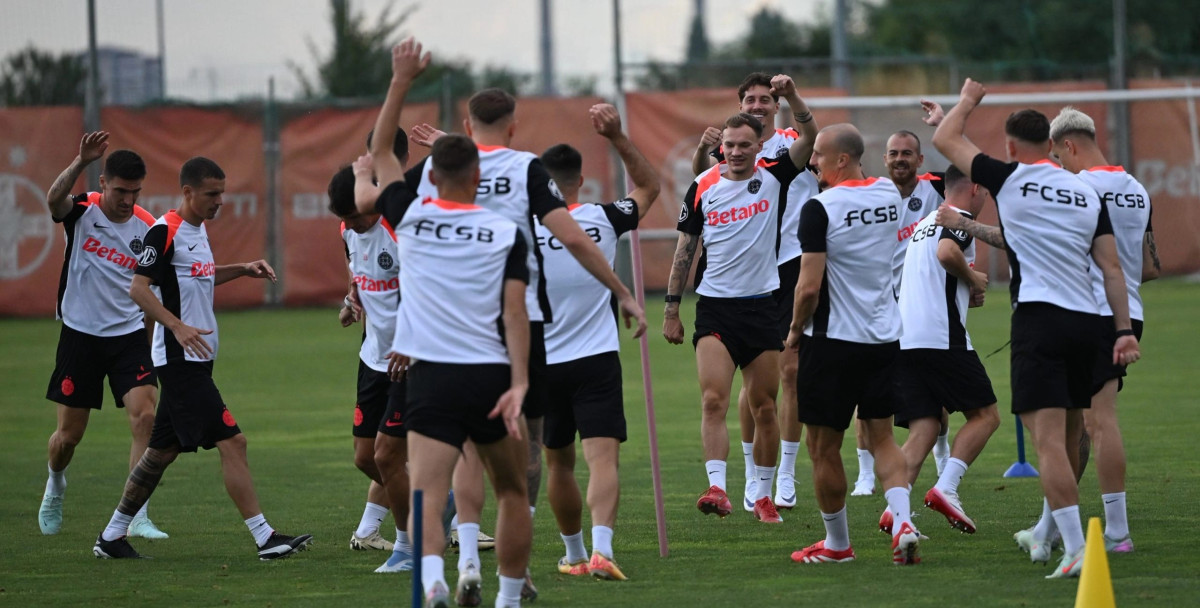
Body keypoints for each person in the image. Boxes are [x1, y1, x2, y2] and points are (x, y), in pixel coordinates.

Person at [401, 90, 647, 603]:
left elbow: (380, 189)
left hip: (454, 327)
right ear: (513, 127)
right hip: (526, 327)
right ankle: (518, 578)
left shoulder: (433, 178)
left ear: (467, 126)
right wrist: (623, 292)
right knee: (522, 464)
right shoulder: (527, 175)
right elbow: (577, 237)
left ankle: (463, 561)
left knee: (461, 454)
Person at [932, 79, 1140, 579]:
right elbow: (1112, 269)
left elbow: (945, 139)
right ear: (1051, 144)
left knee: (1046, 440)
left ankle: (1075, 548)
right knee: (1069, 435)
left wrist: (967, 101)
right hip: (1089, 323)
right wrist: (1123, 331)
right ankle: (1049, 537)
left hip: (1040, 320)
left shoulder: (1008, 177)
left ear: (1009, 147)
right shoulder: (1086, 191)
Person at [364, 37, 533, 608]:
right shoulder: (504, 232)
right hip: (489, 375)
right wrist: (519, 383)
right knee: (511, 491)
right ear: (478, 176)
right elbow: (514, 312)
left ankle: (434, 580)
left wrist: (400, 80)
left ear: (432, 176)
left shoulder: (410, 217)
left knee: (425, 492)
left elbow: (382, 152)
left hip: (430, 375)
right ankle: (508, 598)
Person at [93, 156, 311, 560]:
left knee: (161, 452)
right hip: (180, 363)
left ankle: (111, 536)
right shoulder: (164, 231)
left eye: (222, 194)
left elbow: (199, 275)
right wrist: (175, 326)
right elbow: (138, 288)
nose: (220, 201)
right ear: (188, 192)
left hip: (198, 359)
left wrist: (243, 269)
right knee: (234, 441)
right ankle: (265, 538)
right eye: (212, 194)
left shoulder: (197, 229)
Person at [664, 103, 811, 525]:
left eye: (745, 145)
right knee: (713, 400)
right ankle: (717, 488)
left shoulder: (775, 176)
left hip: (763, 307)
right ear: (721, 147)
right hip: (715, 309)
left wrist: (792, 96)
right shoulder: (702, 185)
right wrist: (672, 309)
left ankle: (763, 495)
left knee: (764, 406)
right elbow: (685, 249)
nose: (736, 151)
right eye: (729, 144)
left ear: (759, 146)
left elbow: (811, 139)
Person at [785, 124, 918, 566]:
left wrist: (793, 331)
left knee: (823, 447)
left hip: (832, 342)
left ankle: (838, 544)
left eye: (819, 155)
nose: (812, 162)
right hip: (884, 338)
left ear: (841, 159)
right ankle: (903, 523)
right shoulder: (888, 194)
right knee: (883, 437)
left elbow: (808, 287)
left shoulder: (819, 208)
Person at [538, 104, 660, 582]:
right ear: (581, 181)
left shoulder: (525, 227)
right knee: (602, 459)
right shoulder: (604, 218)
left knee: (558, 464)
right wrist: (617, 136)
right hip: (596, 359)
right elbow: (649, 187)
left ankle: (573, 555)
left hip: (542, 362)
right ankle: (602, 550)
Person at [40, 133, 167, 540]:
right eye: (120, 191)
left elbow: (153, 289)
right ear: (103, 184)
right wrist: (80, 160)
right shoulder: (82, 211)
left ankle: (137, 514)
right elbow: (52, 202)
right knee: (68, 438)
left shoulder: (149, 228)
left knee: (146, 418)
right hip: (80, 336)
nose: (128, 200)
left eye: (135, 192)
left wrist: (150, 342)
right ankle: (55, 483)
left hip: (128, 336)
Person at [880, 164, 999, 537]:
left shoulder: (923, 224)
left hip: (906, 339)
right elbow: (947, 253)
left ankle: (895, 511)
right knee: (986, 416)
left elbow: (933, 273)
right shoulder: (960, 220)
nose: (986, 199)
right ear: (975, 188)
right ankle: (946, 488)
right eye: (986, 192)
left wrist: (966, 288)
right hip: (939, 337)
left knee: (925, 427)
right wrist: (972, 277)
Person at [328, 152, 424, 572]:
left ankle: (408, 548)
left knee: (387, 456)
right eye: (344, 218)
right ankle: (435, 502)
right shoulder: (348, 231)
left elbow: (431, 289)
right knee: (365, 458)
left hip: (410, 361)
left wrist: (412, 341)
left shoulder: (400, 230)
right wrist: (352, 303)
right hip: (373, 357)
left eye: (356, 215)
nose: (351, 224)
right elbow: (361, 277)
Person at [853, 103, 950, 498]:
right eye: (893, 153)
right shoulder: (872, 193)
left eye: (907, 153)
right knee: (868, 387)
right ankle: (864, 473)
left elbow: (975, 171)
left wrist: (945, 124)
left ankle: (942, 452)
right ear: (884, 158)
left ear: (920, 159)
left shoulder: (936, 186)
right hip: (878, 302)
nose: (899, 159)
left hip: (925, 302)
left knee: (932, 381)